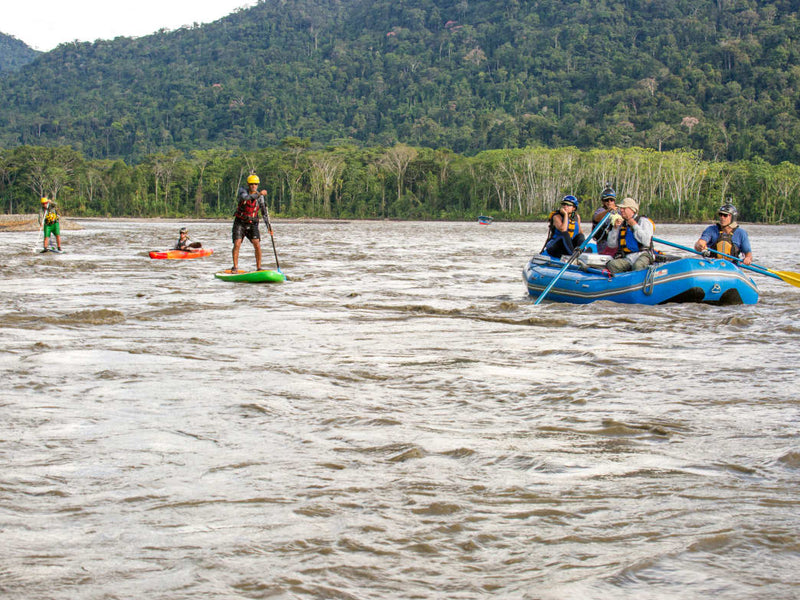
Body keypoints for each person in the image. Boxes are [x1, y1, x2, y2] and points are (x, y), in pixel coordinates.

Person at [604, 197, 655, 273]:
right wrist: (615, 228)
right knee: (611, 264)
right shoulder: (622, 223)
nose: (621, 210)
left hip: (643, 254)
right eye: (621, 208)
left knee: (638, 266)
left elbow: (646, 241)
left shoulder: (643, 221)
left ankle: (638, 281)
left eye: (624, 208)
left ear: (632, 210)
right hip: (628, 257)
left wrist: (634, 225)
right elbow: (611, 244)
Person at [231, 173, 268, 272]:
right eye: (251, 184)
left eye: (255, 184)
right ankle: (235, 267)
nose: (254, 186)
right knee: (237, 243)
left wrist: (268, 226)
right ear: (248, 184)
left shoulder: (260, 197)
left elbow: (263, 212)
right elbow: (246, 198)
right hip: (240, 222)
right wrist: (259, 194)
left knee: (257, 244)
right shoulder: (243, 191)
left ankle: (259, 267)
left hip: (252, 223)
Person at [591, 185, 618, 255]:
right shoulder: (600, 211)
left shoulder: (619, 212)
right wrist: (608, 211)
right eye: (606, 200)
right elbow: (596, 218)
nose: (609, 202)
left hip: (616, 240)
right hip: (604, 241)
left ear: (614, 201)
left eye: (611, 200)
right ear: (603, 201)